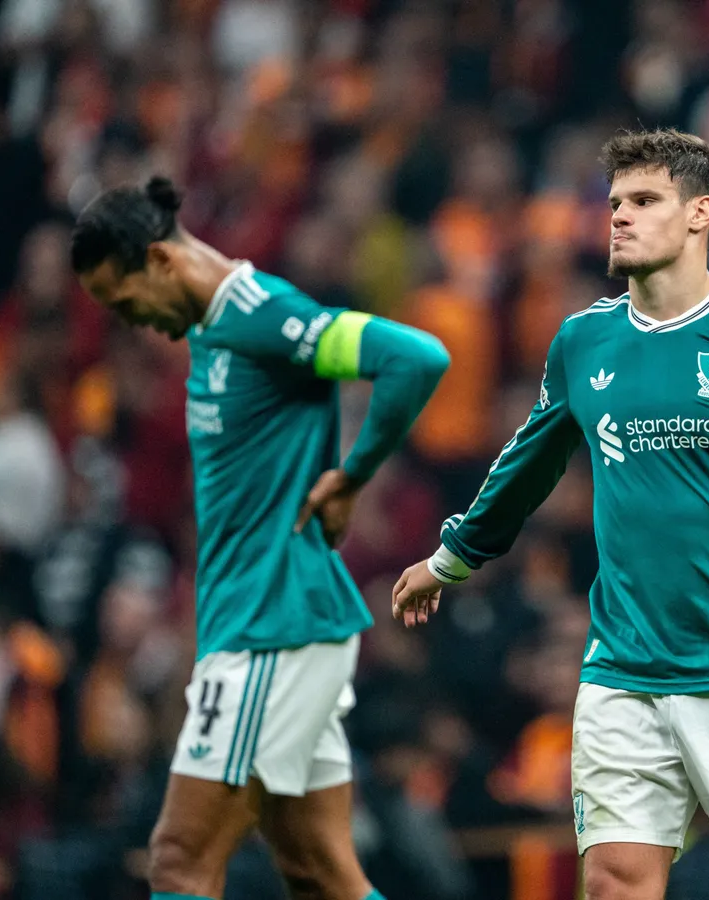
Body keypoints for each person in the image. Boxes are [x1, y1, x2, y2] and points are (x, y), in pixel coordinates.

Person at [392, 129, 709, 900]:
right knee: (614, 883)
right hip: (623, 669)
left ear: (701, 214)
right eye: (614, 203)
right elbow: (527, 463)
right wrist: (450, 559)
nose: (618, 218)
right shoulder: (584, 341)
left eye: (642, 201)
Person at [70, 175, 450, 900]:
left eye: (126, 301)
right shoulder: (218, 326)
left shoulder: (262, 315)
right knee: (319, 873)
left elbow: (415, 357)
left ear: (158, 261)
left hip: (270, 630)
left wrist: (352, 474)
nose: (134, 321)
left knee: (180, 858)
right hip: (269, 624)